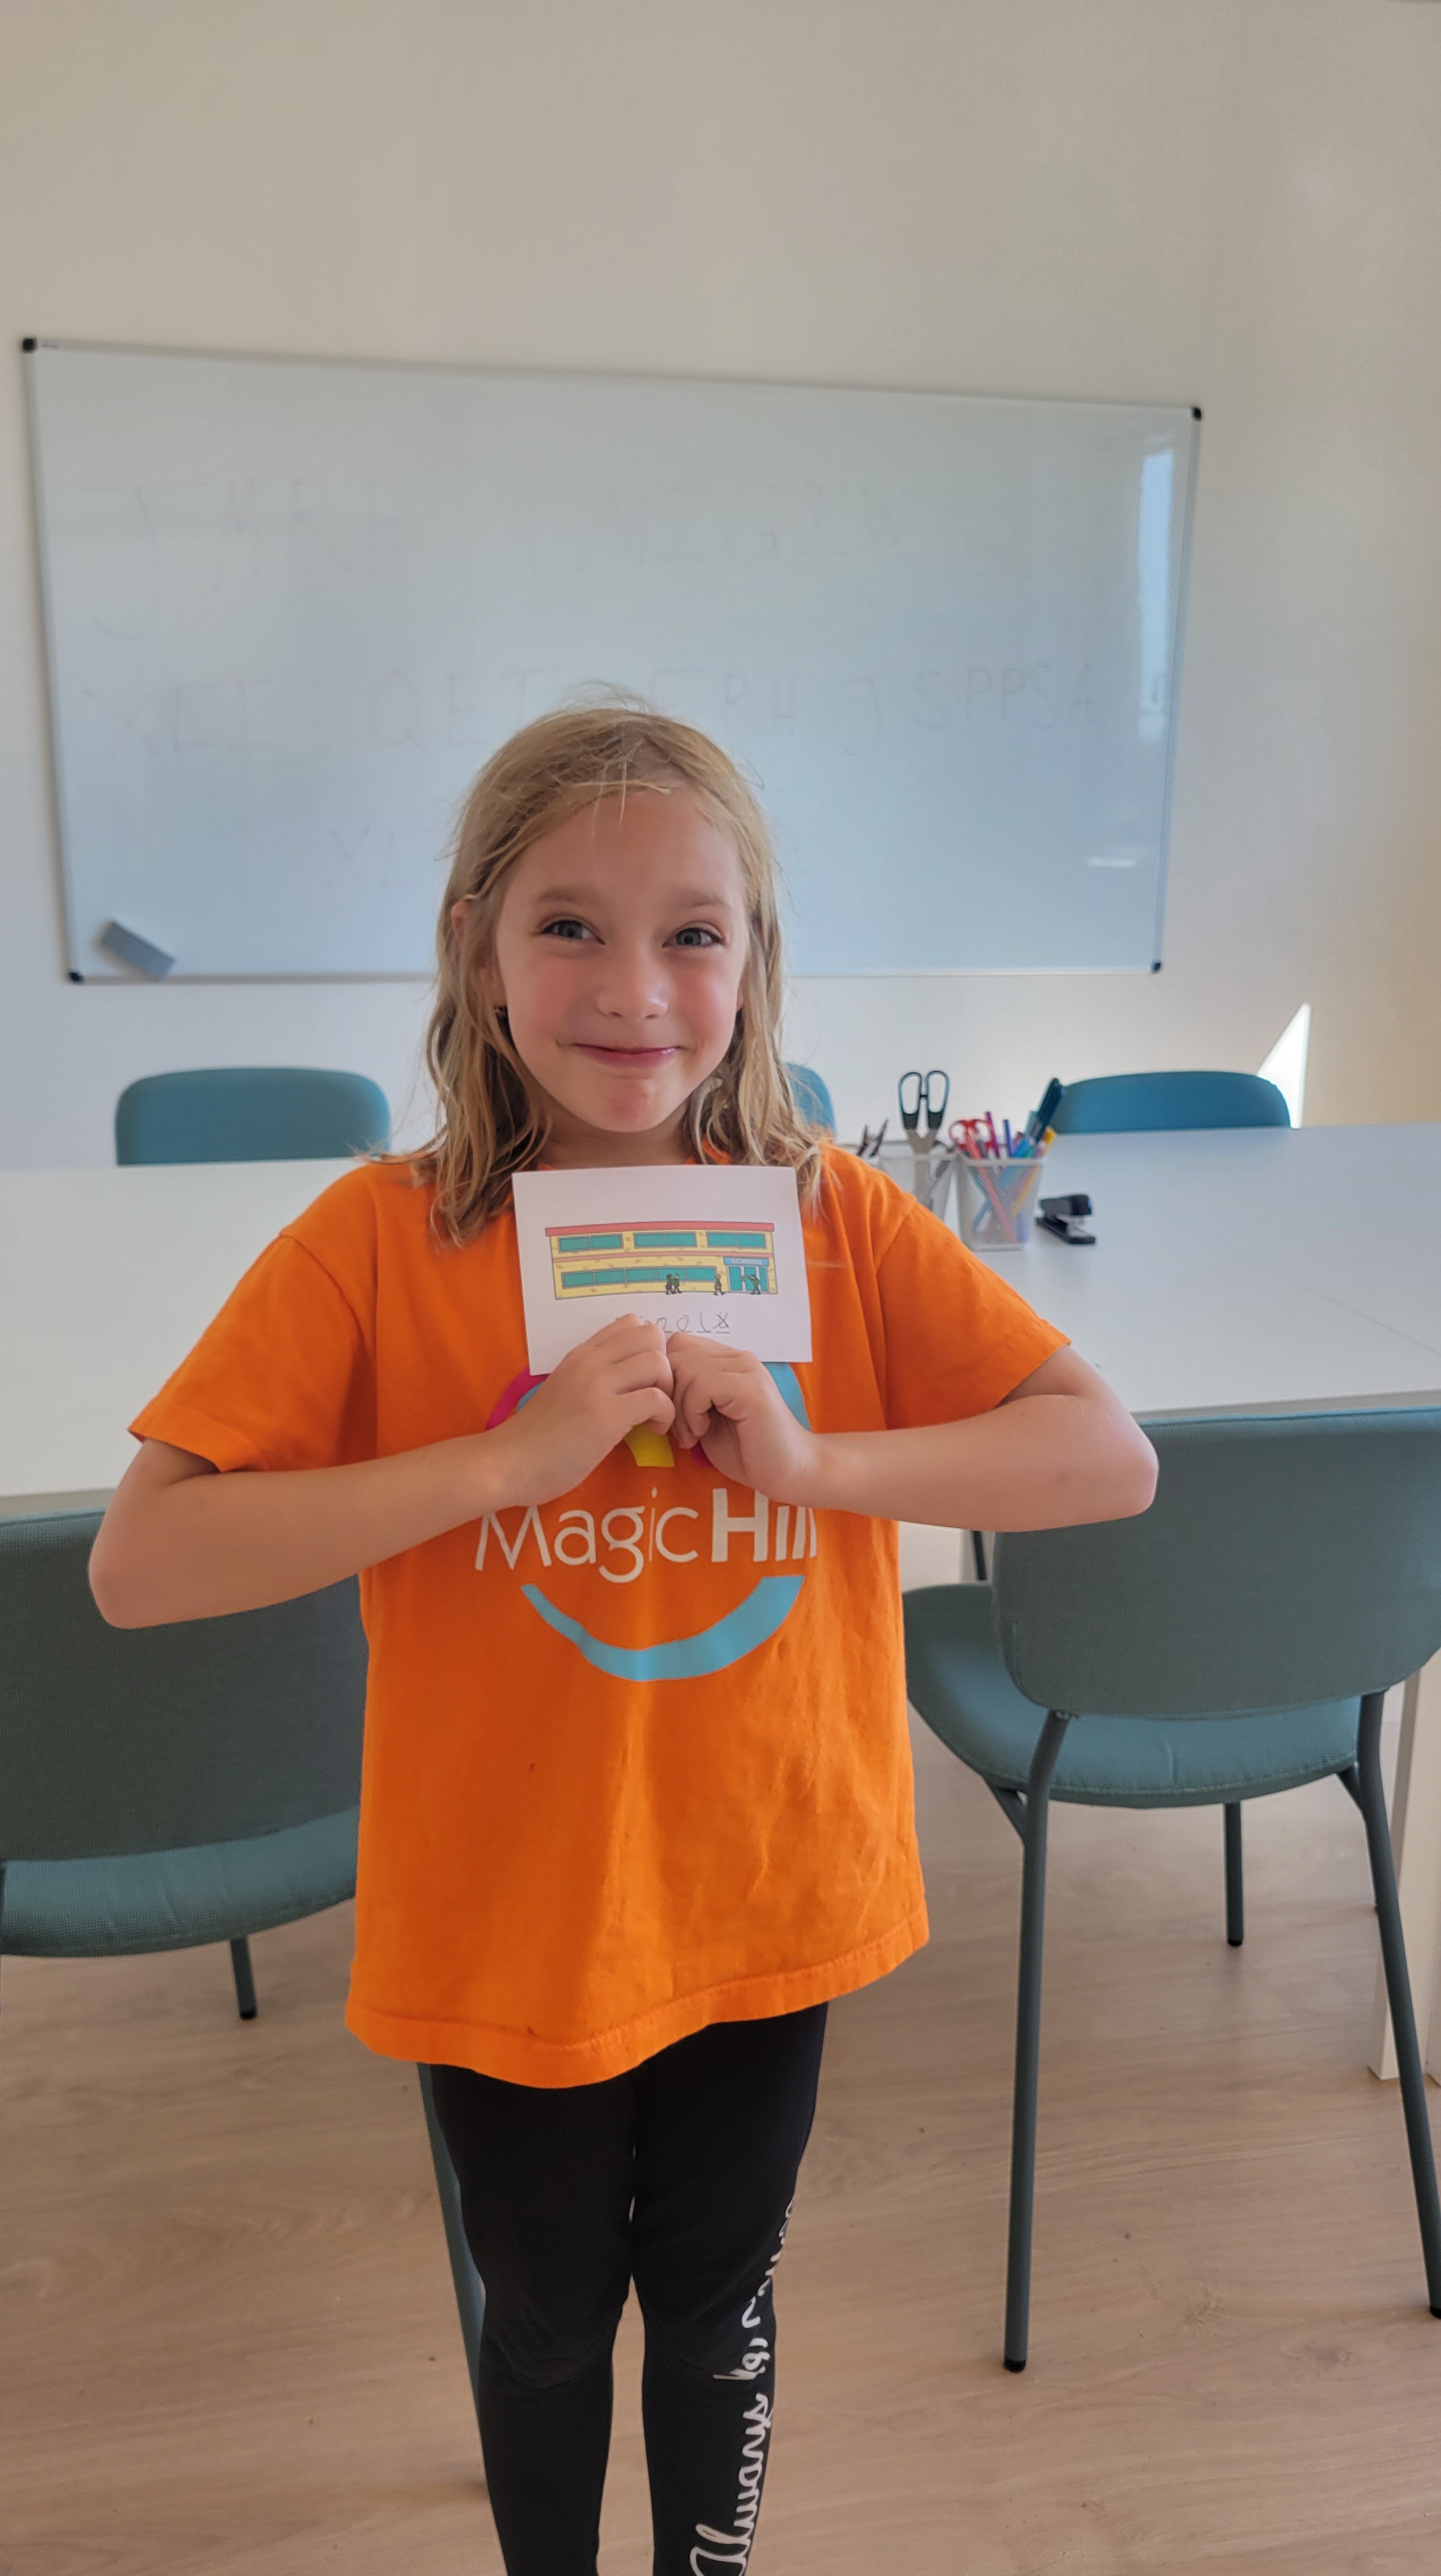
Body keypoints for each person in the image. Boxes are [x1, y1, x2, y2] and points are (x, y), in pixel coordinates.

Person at [90, 702, 1157, 2576]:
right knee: (547, 2317)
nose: (636, 989)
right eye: (569, 925)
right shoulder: (378, 1240)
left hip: (768, 1878)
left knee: (721, 2306)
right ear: (477, 949)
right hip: (514, 1904)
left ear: (754, 961)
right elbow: (142, 1562)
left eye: (694, 932)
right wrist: (500, 1464)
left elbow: (1105, 1456)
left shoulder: (832, 1217)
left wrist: (818, 1464)